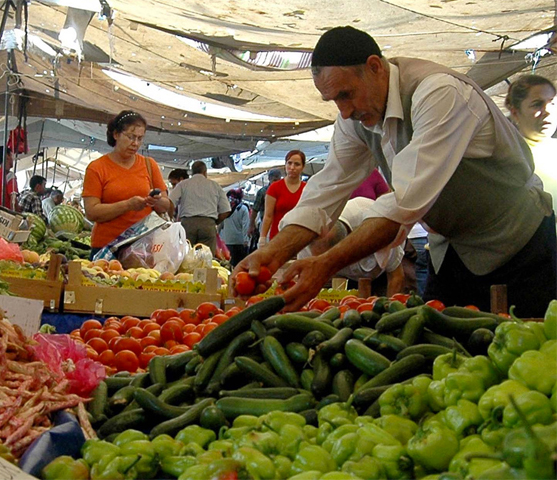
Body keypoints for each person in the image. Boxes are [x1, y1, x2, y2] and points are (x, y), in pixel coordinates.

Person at [233, 26, 555, 317]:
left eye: (345, 94)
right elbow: (324, 193)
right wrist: (273, 254)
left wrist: (325, 264)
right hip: (452, 251)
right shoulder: (354, 118)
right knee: (440, 354)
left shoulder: (438, 93)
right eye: (333, 100)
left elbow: (401, 205)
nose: (344, 111)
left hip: (519, 244)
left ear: (375, 67)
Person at [82, 111, 171, 254]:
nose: (135, 143)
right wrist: (128, 205)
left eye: (140, 138)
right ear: (116, 134)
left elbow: (166, 205)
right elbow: (91, 212)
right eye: (130, 137)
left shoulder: (149, 165)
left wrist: (156, 201)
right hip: (107, 248)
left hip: (143, 247)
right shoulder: (97, 168)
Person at [299, 197, 405, 296]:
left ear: (346, 246)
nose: (324, 262)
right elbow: (304, 281)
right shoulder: (308, 238)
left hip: (381, 279)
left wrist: (389, 309)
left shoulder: (378, 226)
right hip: (342, 280)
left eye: (328, 259)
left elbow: (395, 276)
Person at [505, 74, 557, 216]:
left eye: (552, 103)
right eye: (537, 104)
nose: (547, 111)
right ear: (515, 113)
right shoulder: (510, 159)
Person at [169, 160, 230, 256]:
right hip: (208, 224)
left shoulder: (183, 184)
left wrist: (170, 218)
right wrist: (215, 222)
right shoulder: (215, 186)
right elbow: (226, 210)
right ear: (205, 172)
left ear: (192, 172)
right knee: (206, 259)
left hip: (188, 224)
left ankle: (186, 272)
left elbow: (170, 201)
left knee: (186, 258)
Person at [259, 150, 306, 248]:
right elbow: (268, 215)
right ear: (285, 165)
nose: (292, 167)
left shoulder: (307, 189)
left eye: (297, 164)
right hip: (277, 239)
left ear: (303, 167)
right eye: (289, 163)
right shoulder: (274, 188)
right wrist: (262, 238)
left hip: (300, 240)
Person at [248, 169, 282, 249]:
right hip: (267, 224)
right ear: (269, 179)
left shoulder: (283, 191)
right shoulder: (263, 191)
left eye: (278, 180)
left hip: (281, 223)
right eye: (274, 180)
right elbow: (255, 210)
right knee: (266, 248)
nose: (276, 182)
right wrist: (251, 225)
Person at [219, 188, 250, 267]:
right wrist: (246, 240)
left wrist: (218, 239)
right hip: (240, 242)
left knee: (228, 266)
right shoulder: (243, 208)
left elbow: (220, 225)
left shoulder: (226, 210)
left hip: (227, 242)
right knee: (240, 267)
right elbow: (245, 225)